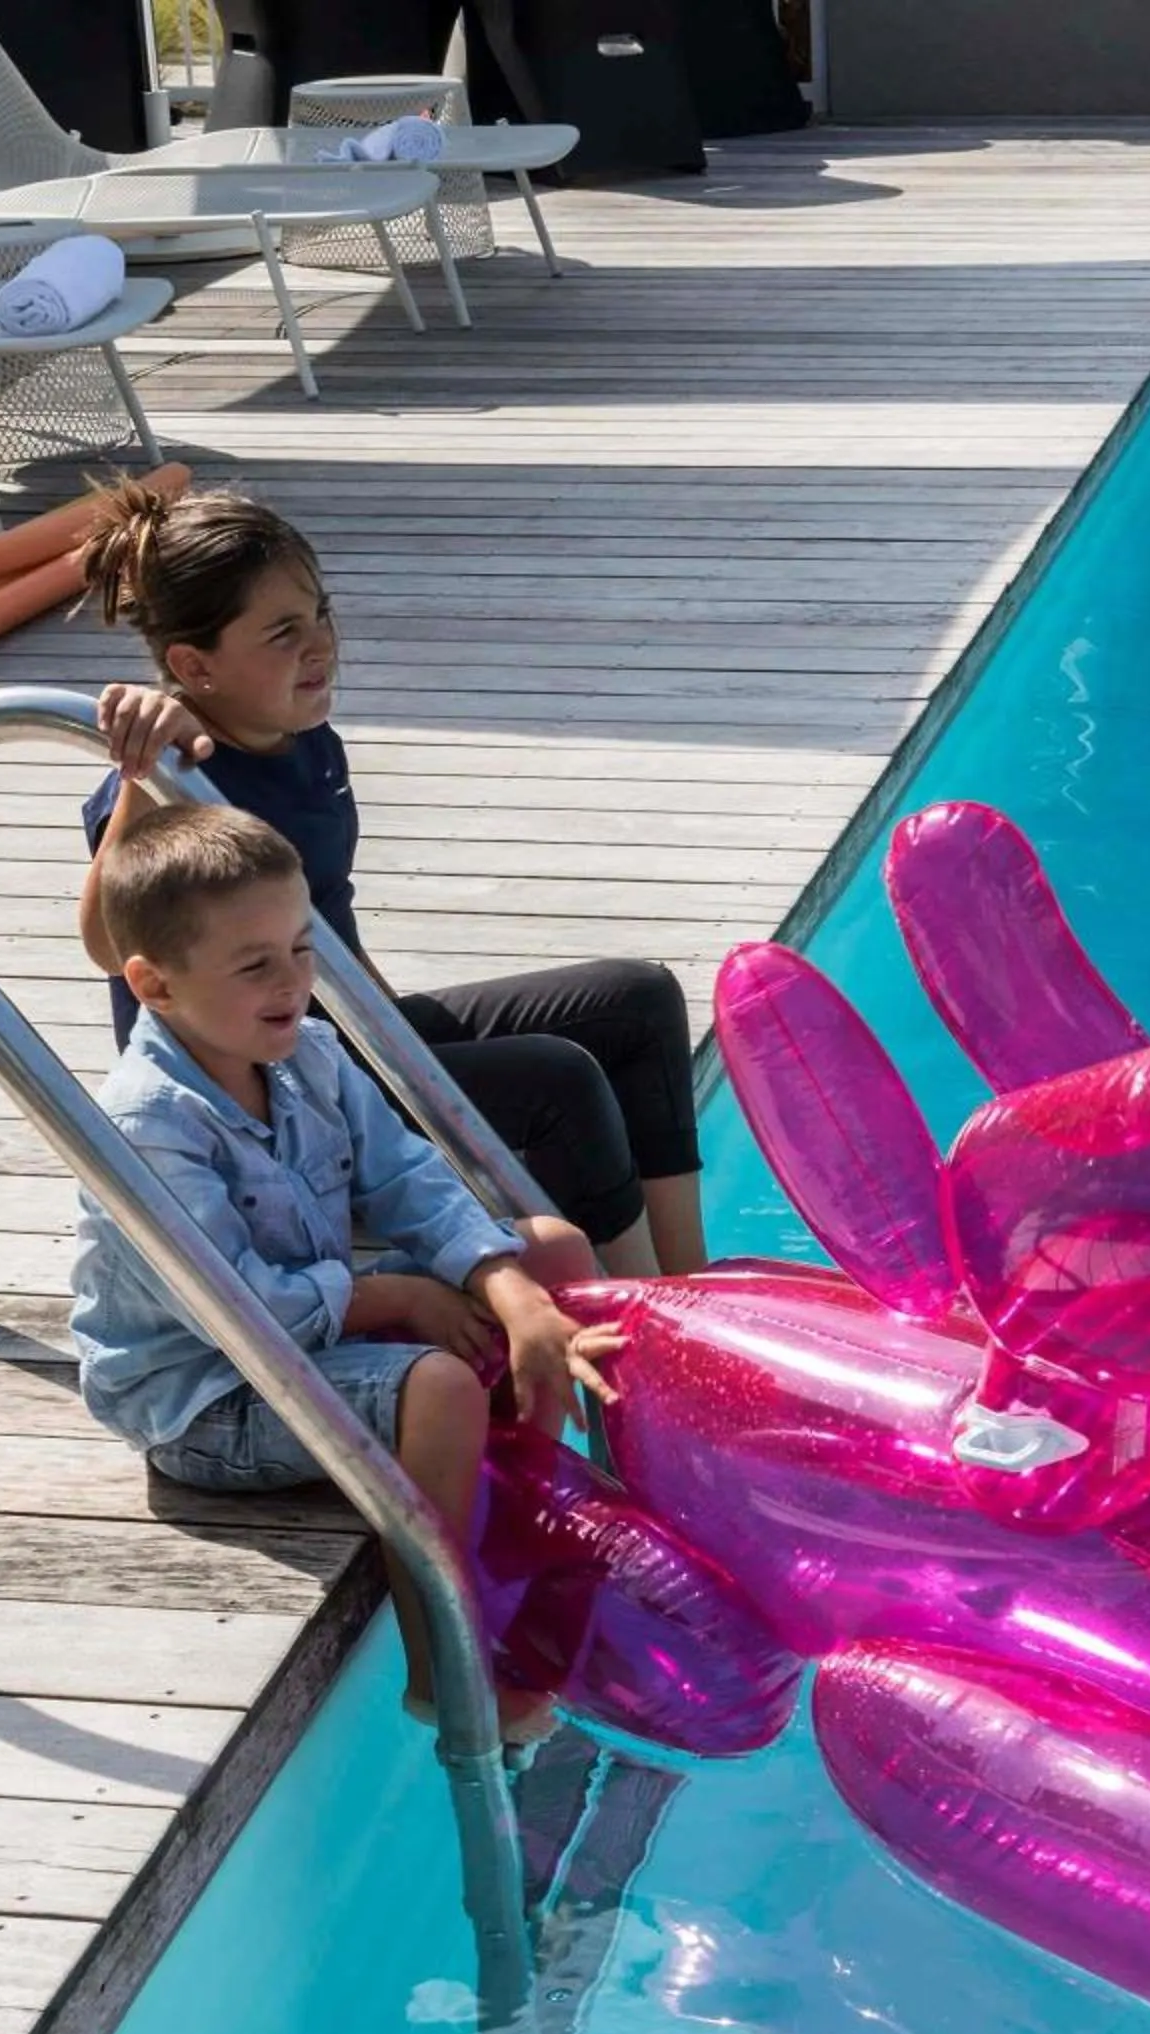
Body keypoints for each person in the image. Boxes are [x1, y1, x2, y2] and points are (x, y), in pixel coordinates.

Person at [67, 799, 624, 1726]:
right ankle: (443, 1660)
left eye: (300, 948)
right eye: (255, 965)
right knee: (439, 1386)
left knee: (553, 1251)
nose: (292, 981)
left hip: (309, 1334)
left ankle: (529, 1523)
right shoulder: (148, 1124)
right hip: (207, 1396)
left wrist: (506, 1286)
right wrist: (391, 1297)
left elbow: (409, 1177)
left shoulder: (306, 1054)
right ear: (154, 986)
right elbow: (230, 1309)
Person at [70, 478, 708, 1278]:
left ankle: (691, 1282)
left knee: (638, 1000)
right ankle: (649, 1329)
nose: (321, 644)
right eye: (282, 632)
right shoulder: (179, 782)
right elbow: (105, 944)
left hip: (346, 1030)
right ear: (194, 666)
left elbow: (330, 912)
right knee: (557, 1083)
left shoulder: (306, 741)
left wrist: (406, 1043)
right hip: (262, 1076)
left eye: (321, 614)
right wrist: (143, 769)